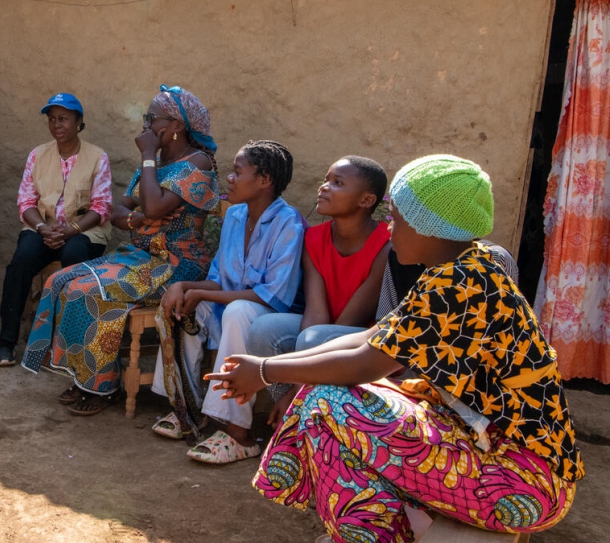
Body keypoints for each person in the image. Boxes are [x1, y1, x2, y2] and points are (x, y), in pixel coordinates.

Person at [208, 155, 584, 542]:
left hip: (523, 480)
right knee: (324, 395)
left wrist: (267, 372)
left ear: (429, 227)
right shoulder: (466, 267)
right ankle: (369, 530)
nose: (389, 228)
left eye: (398, 217)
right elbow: (374, 336)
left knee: (325, 404)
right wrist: (270, 365)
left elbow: (365, 363)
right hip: (497, 451)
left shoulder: (459, 283)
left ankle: (366, 534)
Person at [21, 84, 220, 416]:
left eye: (152, 118)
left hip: (176, 264)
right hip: (140, 256)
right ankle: (83, 376)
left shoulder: (199, 162)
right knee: (62, 281)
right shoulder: (155, 163)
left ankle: (102, 387)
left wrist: (143, 208)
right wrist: (139, 218)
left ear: (176, 126)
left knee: (90, 291)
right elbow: (115, 211)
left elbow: (152, 207)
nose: (145, 127)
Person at [195, 156, 389, 461]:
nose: (324, 187)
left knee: (312, 338)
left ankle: (297, 411)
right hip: (322, 330)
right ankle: (293, 415)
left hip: (360, 338)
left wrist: (292, 389)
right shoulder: (314, 237)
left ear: (366, 200)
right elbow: (316, 312)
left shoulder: (384, 244)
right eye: (326, 179)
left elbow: (348, 320)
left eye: (337, 183)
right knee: (265, 329)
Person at [150, 140, 305, 455]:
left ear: (264, 181)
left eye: (238, 172)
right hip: (240, 305)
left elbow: (273, 296)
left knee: (237, 311)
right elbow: (220, 279)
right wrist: (185, 289)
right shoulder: (234, 216)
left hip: (276, 318)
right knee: (184, 305)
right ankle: (187, 411)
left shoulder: (290, 224)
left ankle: (239, 434)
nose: (229, 179)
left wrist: (202, 293)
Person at [0, 93, 112, 367]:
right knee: (20, 262)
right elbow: (25, 202)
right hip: (42, 228)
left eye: (63, 118)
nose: (56, 124)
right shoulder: (38, 155)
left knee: (75, 258)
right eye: (52, 119)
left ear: (78, 122)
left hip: (83, 232)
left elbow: (102, 206)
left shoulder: (97, 157)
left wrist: (70, 230)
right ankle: (6, 343)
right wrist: (43, 228)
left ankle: (66, 344)